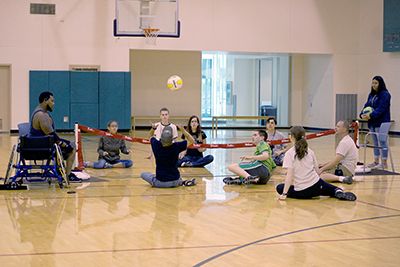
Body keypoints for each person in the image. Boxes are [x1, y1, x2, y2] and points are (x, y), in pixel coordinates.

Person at [276, 126, 356, 201]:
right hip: (316, 185)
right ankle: (338, 192)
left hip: (302, 191)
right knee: (333, 189)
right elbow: (317, 171)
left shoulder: (290, 153)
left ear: (292, 137)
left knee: (280, 187)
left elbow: (290, 174)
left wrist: (284, 194)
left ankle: (324, 191)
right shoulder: (310, 151)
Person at [30, 91, 82, 182]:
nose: (53, 104)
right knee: (72, 146)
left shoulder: (38, 112)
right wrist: (65, 145)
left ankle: (59, 170)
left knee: (63, 145)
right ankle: (68, 174)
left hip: (41, 143)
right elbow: (51, 135)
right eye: (52, 101)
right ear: (45, 101)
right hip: (42, 147)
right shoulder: (42, 116)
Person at [360, 75, 391, 169]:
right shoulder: (371, 95)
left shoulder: (385, 94)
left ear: (380, 84)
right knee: (375, 142)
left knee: (382, 140)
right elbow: (367, 106)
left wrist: (371, 115)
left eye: (376, 83)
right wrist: (362, 114)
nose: (374, 85)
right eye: (372, 83)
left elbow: (381, 108)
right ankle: (376, 161)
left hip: (382, 121)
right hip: (372, 121)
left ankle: (384, 162)